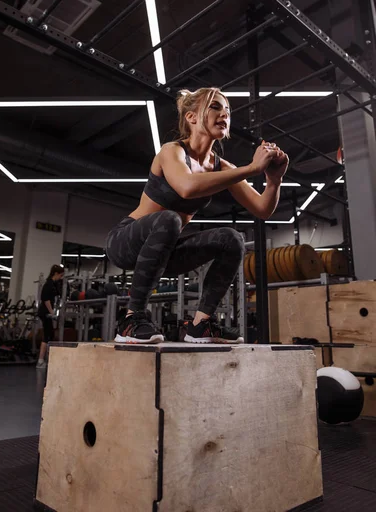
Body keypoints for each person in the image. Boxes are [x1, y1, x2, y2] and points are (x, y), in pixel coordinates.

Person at [105, 87, 288, 344]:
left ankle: (200, 325)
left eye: (227, 109)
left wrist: (273, 181)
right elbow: (187, 187)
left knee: (232, 238)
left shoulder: (222, 167)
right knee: (170, 218)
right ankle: (131, 319)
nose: (224, 113)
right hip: (125, 241)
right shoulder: (173, 151)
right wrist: (251, 168)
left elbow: (262, 210)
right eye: (215, 107)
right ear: (191, 117)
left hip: (166, 250)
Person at [36, 264, 64, 369]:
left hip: (46, 313)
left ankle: (45, 359)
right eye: (60, 275)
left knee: (50, 334)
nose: (60, 278)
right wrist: (51, 312)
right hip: (45, 313)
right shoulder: (48, 284)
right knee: (48, 335)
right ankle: (40, 361)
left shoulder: (52, 284)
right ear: (55, 274)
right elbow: (46, 299)